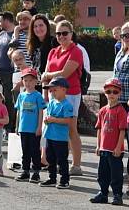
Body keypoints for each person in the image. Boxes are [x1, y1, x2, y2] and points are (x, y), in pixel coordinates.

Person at [40, 20, 84, 176]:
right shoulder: (53, 52)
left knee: (71, 128)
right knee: (53, 128)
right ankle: (55, 161)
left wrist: (48, 75)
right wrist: (46, 92)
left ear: (71, 34)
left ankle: (76, 165)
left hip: (70, 94)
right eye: (58, 33)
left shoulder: (76, 51)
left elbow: (65, 74)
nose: (61, 36)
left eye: (65, 33)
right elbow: (45, 75)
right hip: (53, 95)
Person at [90, 78, 127, 205]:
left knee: (116, 174)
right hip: (104, 148)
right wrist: (98, 145)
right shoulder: (102, 110)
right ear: (104, 92)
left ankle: (117, 194)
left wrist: (118, 147)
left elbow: (122, 131)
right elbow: (99, 129)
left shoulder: (121, 111)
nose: (111, 94)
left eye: (115, 92)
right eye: (108, 91)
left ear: (120, 93)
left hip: (115, 150)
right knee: (102, 173)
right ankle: (103, 193)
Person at [40, 77, 73, 189]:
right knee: (50, 158)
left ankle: (64, 180)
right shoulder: (52, 103)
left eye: (55, 90)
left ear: (64, 90)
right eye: (51, 91)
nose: (53, 93)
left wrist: (53, 119)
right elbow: (48, 116)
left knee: (62, 159)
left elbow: (68, 121)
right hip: (50, 135)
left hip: (60, 138)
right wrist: (46, 120)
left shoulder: (67, 105)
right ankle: (52, 178)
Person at [14, 67, 45, 183]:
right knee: (25, 151)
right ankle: (25, 171)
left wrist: (39, 127)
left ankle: (36, 172)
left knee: (34, 151)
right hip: (23, 128)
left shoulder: (37, 96)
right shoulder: (21, 96)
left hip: (33, 129)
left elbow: (41, 112)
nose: (28, 83)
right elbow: (18, 112)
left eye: (31, 80)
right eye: (25, 80)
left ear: (36, 81)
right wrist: (17, 126)